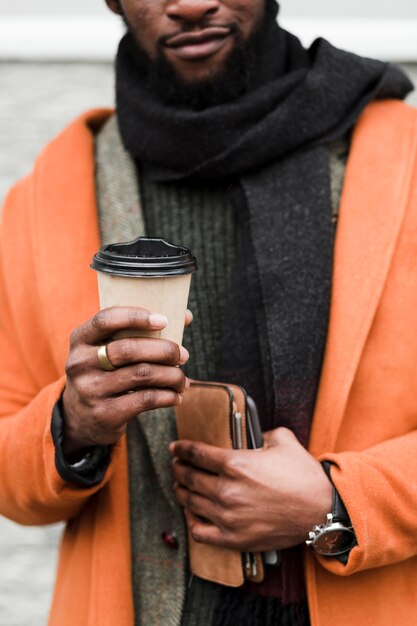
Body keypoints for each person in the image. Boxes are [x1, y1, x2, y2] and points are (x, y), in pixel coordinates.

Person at [1, 1, 417, 624]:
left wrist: (338, 506)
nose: (191, 3)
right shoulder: (49, 195)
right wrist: (70, 427)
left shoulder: (406, 164)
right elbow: (12, 476)